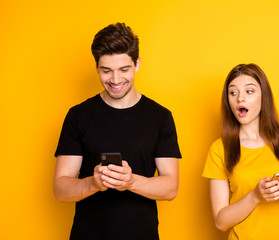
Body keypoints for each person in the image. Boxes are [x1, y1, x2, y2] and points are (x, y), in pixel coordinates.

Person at [53, 23, 182, 240]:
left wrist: (130, 182)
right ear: (96, 67)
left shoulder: (160, 117)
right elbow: (60, 188)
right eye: (106, 71)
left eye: (124, 70)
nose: (115, 80)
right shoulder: (78, 116)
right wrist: (93, 183)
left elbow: (171, 188)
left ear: (137, 64)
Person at [202, 63, 279, 240]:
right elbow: (220, 222)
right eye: (233, 93)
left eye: (249, 91)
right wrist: (255, 196)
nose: (240, 98)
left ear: (264, 96)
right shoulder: (219, 149)